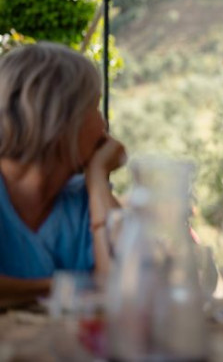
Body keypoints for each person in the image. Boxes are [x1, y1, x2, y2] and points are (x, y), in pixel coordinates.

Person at [0, 43, 127, 304]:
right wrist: (68, 287)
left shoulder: (84, 198)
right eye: (95, 108)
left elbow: (127, 285)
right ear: (60, 118)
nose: (104, 124)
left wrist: (98, 178)